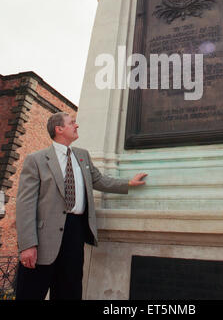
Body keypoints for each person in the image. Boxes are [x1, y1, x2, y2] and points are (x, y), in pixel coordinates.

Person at [15, 112, 147, 300]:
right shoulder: (36, 160)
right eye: (72, 123)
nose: (76, 126)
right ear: (59, 129)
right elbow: (25, 204)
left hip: (75, 232)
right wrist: (28, 244)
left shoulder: (82, 156)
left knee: (69, 290)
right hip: (43, 238)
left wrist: (127, 183)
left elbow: (99, 180)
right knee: (31, 292)